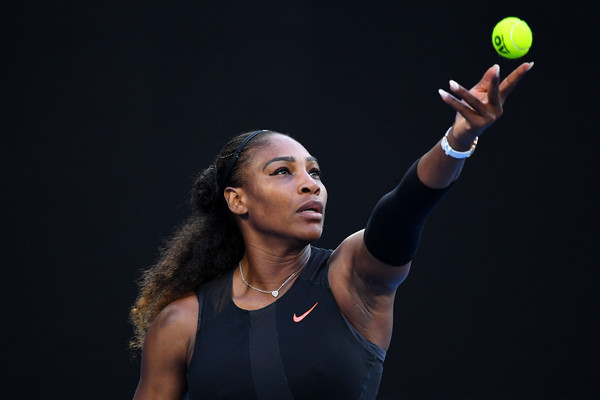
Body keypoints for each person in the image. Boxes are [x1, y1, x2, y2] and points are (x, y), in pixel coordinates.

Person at [130, 62, 533, 399]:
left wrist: (458, 139)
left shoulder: (351, 278)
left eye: (315, 172)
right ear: (237, 200)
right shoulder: (181, 323)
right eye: (283, 171)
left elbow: (403, 212)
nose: (311, 184)